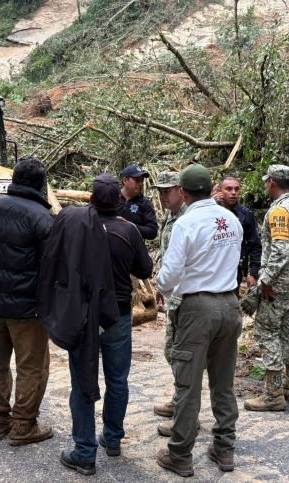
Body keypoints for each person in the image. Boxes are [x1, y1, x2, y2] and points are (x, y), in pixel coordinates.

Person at [57, 173, 152, 475]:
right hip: (118, 315)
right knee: (118, 379)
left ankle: (84, 451)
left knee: (82, 380)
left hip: (83, 315)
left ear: (92, 199)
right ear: (120, 200)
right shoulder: (129, 231)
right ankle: (112, 439)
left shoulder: (76, 226)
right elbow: (144, 268)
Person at [155, 164, 243, 477]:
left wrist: (160, 286)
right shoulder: (231, 220)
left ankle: (179, 453)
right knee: (223, 383)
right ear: (211, 189)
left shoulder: (187, 222)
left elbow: (171, 272)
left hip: (197, 309)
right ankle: (224, 447)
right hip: (230, 305)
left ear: (183, 191)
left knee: (188, 386)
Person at [0, 157, 55, 445]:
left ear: (14, 180)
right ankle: (23, 426)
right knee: (32, 366)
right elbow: (51, 266)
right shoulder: (42, 217)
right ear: (41, 185)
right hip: (27, 309)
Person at [244, 164, 289, 412]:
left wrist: (266, 282)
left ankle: (273, 394)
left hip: (279, 285)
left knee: (266, 330)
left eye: (266, 182)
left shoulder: (279, 212)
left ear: (272, 182)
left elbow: (280, 251)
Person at [151, 171, 185, 421]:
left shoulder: (187, 218)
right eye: (160, 191)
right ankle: (179, 398)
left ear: (180, 190)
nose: (163, 196)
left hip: (185, 296)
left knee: (180, 352)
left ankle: (184, 405)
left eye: (167, 191)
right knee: (171, 350)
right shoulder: (169, 217)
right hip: (172, 293)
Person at [213, 175, 262, 289]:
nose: (233, 192)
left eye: (236, 189)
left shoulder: (245, 215)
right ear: (219, 191)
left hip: (234, 271)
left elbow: (255, 245)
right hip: (211, 268)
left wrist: (253, 273)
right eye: (229, 189)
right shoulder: (209, 212)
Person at [116, 164, 158, 240]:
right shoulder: (113, 198)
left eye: (142, 180)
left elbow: (152, 232)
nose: (140, 183)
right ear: (125, 180)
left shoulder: (145, 203)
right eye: (137, 180)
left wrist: (130, 227)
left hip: (134, 249)